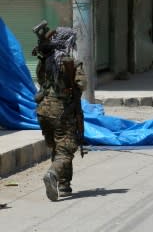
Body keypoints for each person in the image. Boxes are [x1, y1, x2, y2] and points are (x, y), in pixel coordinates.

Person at [34, 26, 86, 201]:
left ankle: (64, 185)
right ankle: (53, 174)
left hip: (43, 112)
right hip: (62, 112)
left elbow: (40, 80)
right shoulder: (69, 62)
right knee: (66, 149)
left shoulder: (46, 60)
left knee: (58, 148)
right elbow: (82, 84)